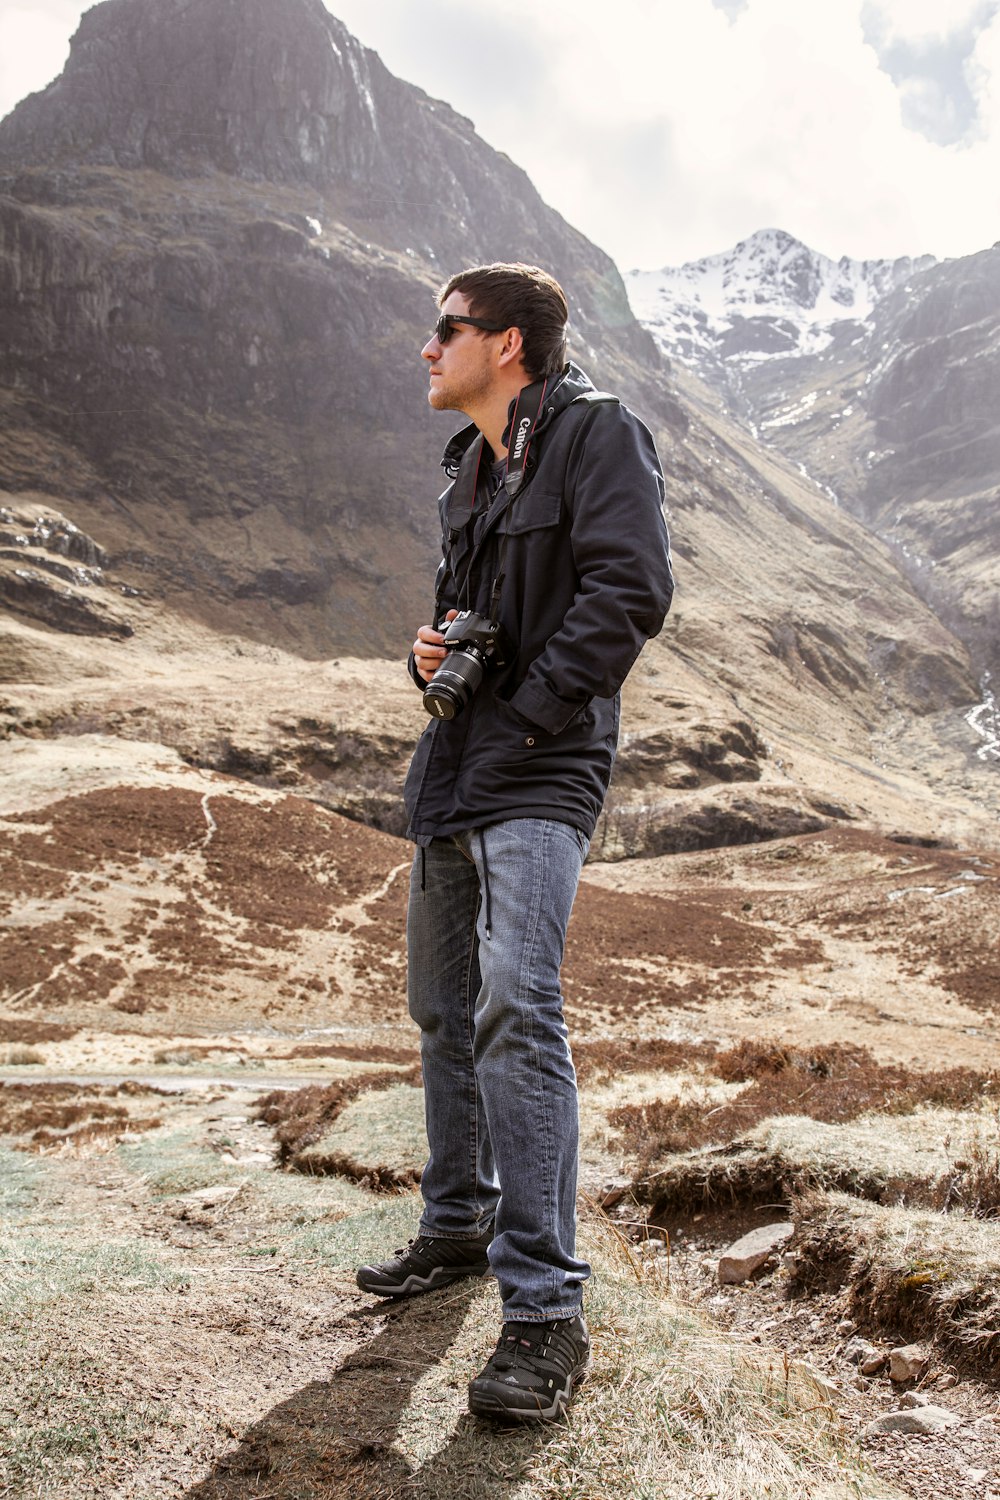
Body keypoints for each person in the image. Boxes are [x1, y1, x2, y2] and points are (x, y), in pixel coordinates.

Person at [356, 262, 673, 1422]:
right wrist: (429, 658)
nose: (426, 350)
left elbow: (632, 587)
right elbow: (465, 622)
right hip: (454, 766)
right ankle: (457, 1224)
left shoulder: (597, 435)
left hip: (540, 766)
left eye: (445, 331)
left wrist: (531, 712)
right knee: (440, 1007)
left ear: (510, 345)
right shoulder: (467, 467)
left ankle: (544, 1316)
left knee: (513, 1006)